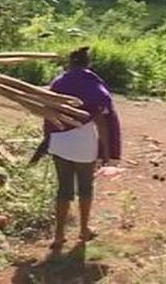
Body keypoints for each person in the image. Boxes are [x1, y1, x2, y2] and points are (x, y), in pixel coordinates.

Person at [37, 47, 121, 250]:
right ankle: (84, 230)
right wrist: (107, 152)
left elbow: (48, 114)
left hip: (59, 143)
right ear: (88, 63)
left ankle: (58, 236)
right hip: (84, 146)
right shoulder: (94, 85)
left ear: (70, 63)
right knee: (85, 188)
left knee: (63, 190)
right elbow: (102, 121)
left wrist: (48, 139)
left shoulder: (58, 82)